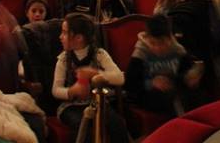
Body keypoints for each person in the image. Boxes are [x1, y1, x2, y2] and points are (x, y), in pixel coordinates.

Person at [52, 13, 128, 142]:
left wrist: (95, 73)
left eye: (64, 33)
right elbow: (55, 90)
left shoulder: (99, 54)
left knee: (117, 124)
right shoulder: (64, 59)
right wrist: (72, 91)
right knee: (83, 126)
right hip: (71, 106)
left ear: (79, 38)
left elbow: (119, 78)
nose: (60, 37)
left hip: (97, 103)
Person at [126, 14, 204, 116]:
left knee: (196, 94)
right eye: (153, 43)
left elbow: (186, 73)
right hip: (147, 94)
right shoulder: (141, 53)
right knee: (170, 98)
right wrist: (151, 83)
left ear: (170, 38)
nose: (157, 48)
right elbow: (130, 83)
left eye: (162, 43)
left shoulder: (177, 50)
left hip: (174, 90)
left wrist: (191, 77)